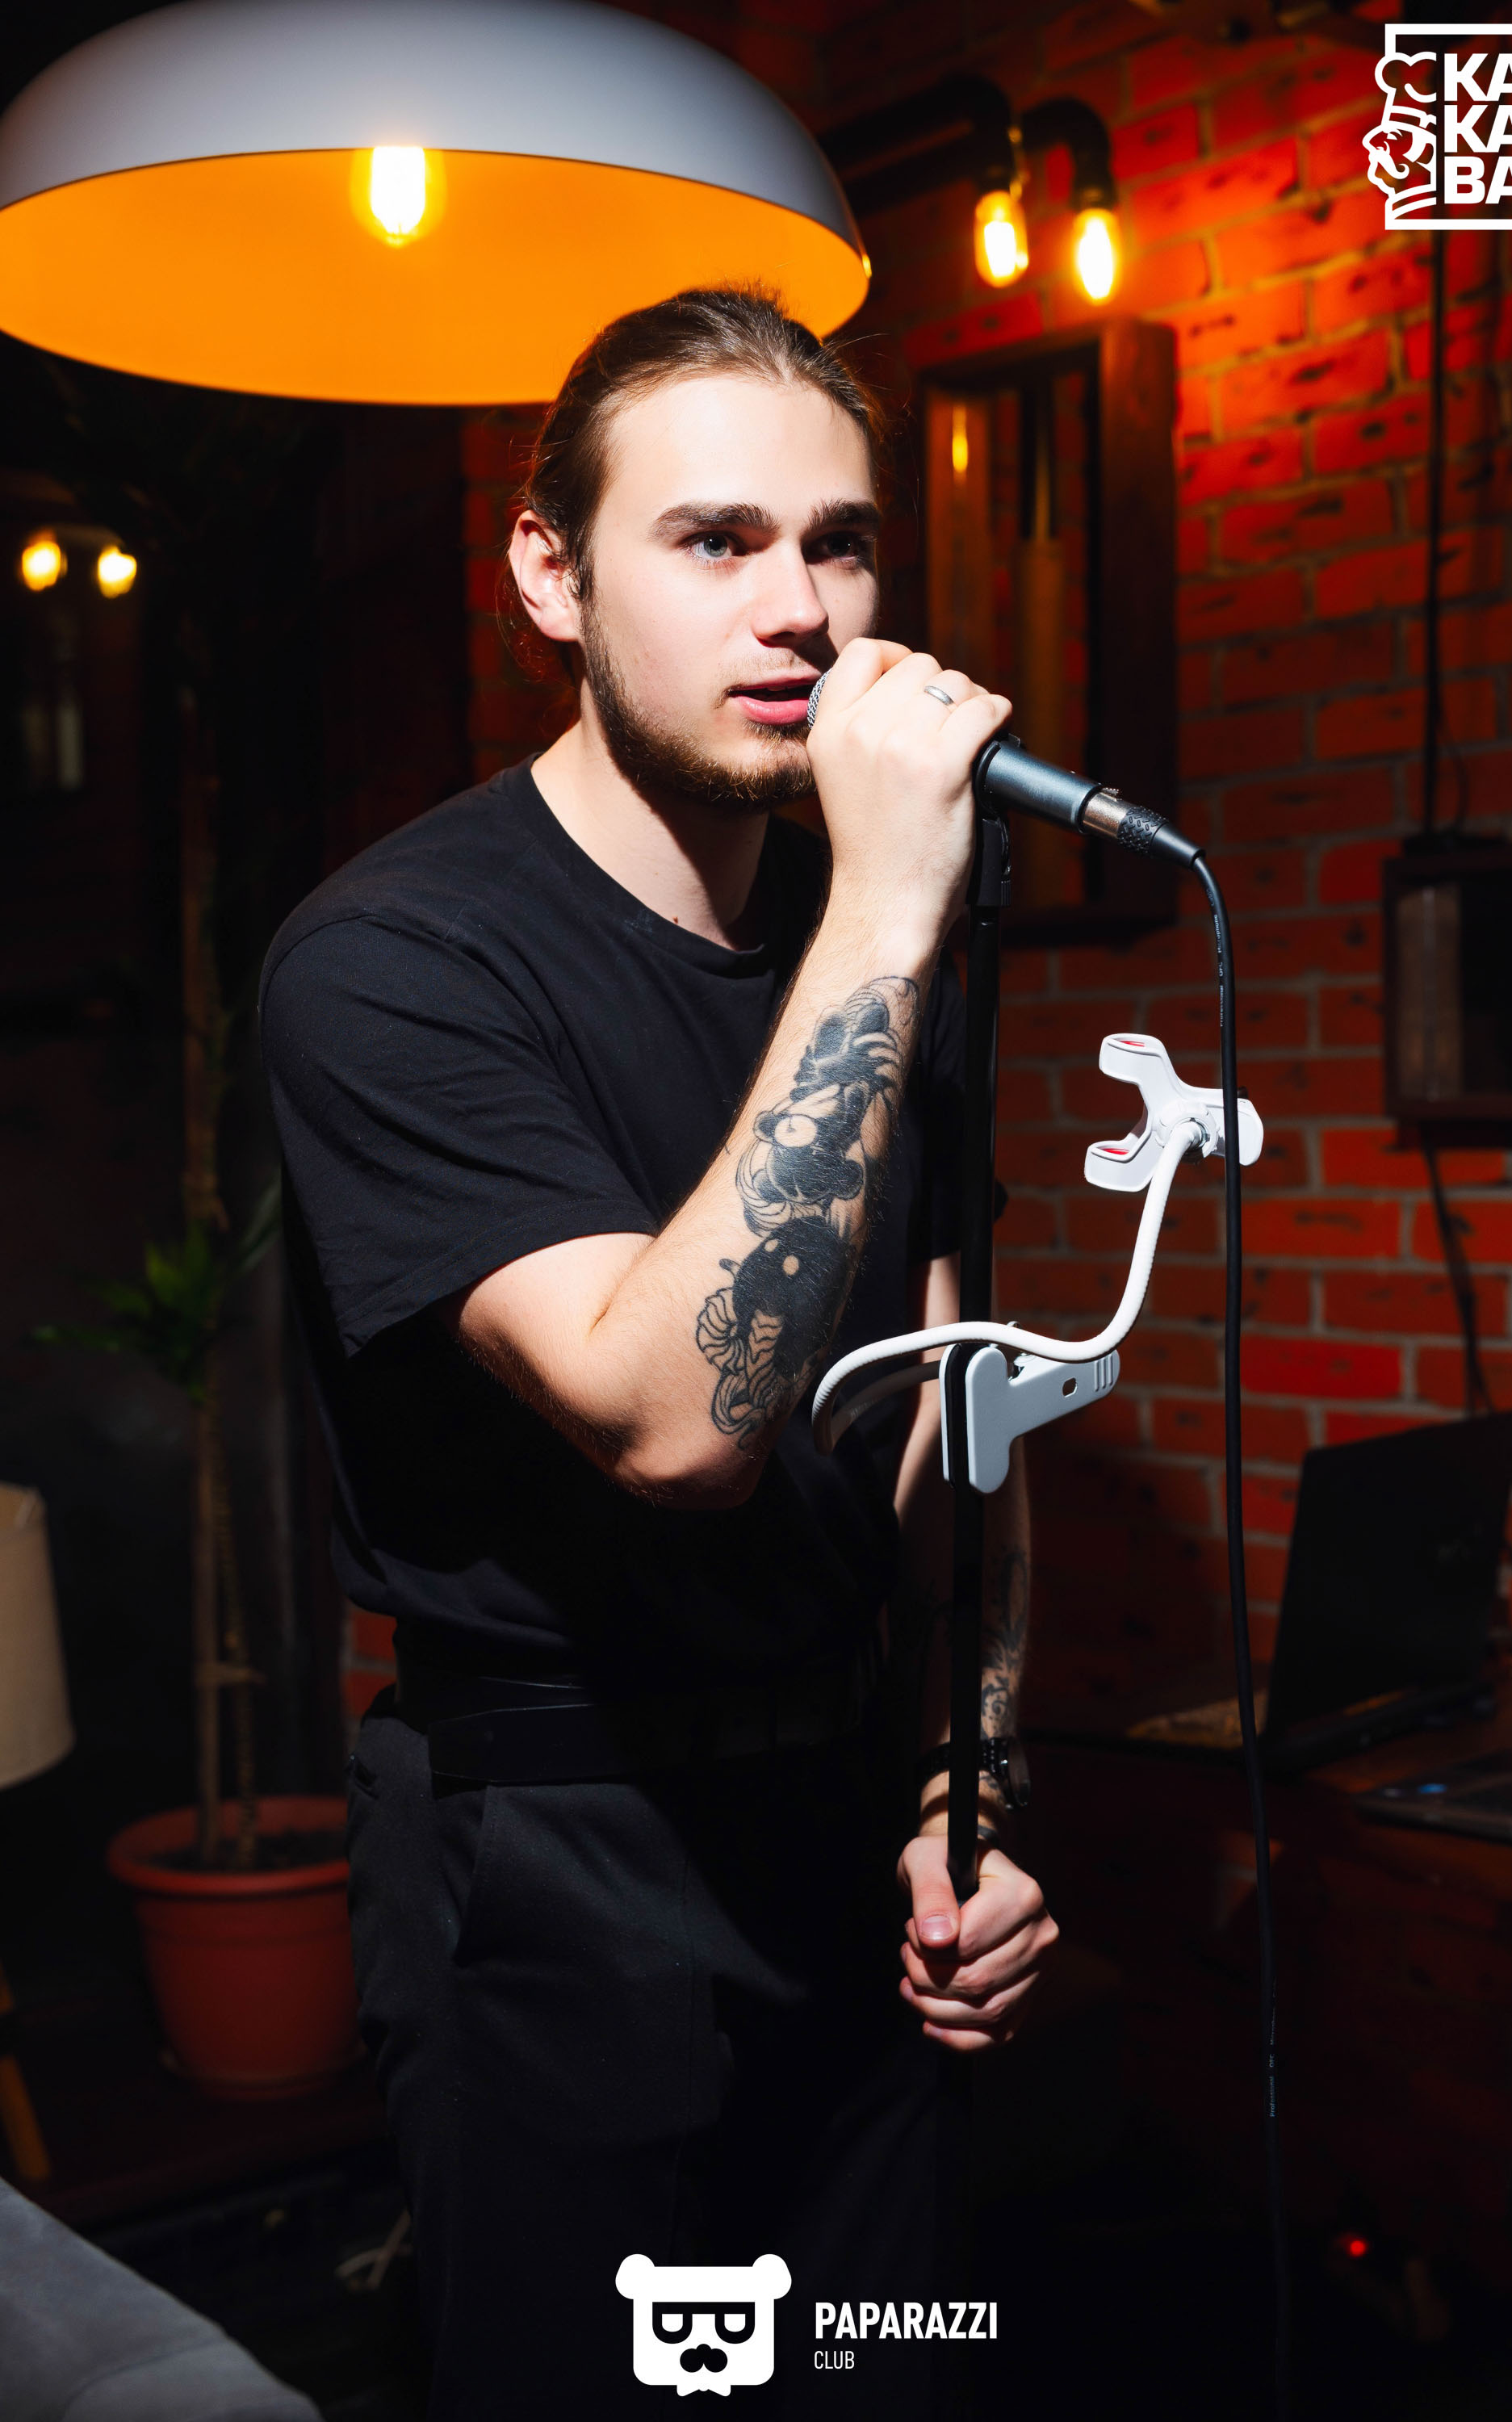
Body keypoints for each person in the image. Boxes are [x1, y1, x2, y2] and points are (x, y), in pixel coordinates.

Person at [261, 287, 1056, 2419]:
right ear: (552, 574)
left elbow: (958, 1408)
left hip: (848, 1832)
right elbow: (679, 1420)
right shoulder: (397, 958)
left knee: (879, 2372)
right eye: (713, 540)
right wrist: (887, 910)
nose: (798, 608)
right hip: (557, 1854)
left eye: (840, 545)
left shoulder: (875, 936)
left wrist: (969, 1790)